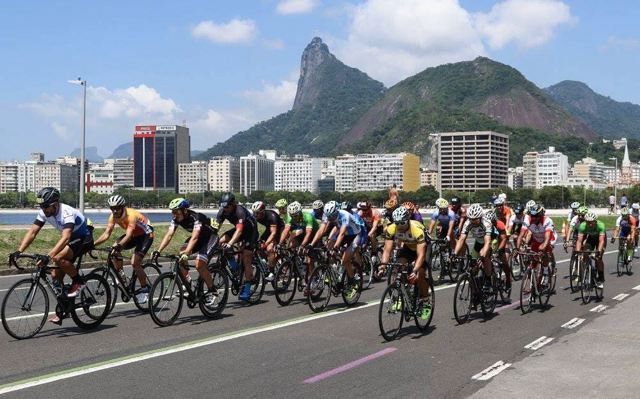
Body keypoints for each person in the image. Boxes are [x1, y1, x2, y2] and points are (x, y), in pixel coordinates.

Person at [12, 187, 94, 323]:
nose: (43, 210)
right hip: (71, 240)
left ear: (55, 204)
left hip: (84, 238)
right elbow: (33, 232)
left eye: (46, 207)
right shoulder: (44, 212)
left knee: (57, 257)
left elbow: (66, 237)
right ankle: (65, 307)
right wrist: (19, 250)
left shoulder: (66, 212)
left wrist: (48, 256)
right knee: (55, 276)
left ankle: (79, 282)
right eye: (41, 207)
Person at [154, 198, 218, 305]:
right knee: (180, 255)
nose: (174, 215)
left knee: (199, 264)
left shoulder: (196, 217)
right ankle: (187, 282)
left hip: (210, 238)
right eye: (173, 212)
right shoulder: (175, 219)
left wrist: (187, 253)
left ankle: (212, 290)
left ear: (184, 210)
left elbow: (195, 237)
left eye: (177, 212)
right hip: (198, 238)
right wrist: (158, 250)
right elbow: (169, 235)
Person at [94, 195, 154, 304]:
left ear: (123, 206)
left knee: (135, 263)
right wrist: (93, 244)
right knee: (114, 251)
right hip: (133, 235)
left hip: (146, 235)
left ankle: (145, 289)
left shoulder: (131, 215)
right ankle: (121, 276)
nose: (115, 210)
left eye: (117, 207)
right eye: (112, 208)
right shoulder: (112, 217)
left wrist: (119, 246)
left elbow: (128, 234)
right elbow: (106, 234)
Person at [380, 206, 432, 320]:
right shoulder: (392, 228)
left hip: (423, 248)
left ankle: (426, 300)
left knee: (420, 274)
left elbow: (421, 255)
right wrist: (383, 266)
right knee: (399, 267)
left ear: (408, 219)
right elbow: (387, 250)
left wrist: (415, 270)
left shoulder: (416, 229)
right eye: (397, 223)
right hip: (408, 247)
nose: (400, 226)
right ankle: (400, 296)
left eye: (402, 223)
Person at [216, 192, 259, 301]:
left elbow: (239, 230)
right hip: (239, 230)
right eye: (223, 206)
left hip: (250, 232)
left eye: (227, 206)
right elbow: (214, 229)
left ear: (233, 204)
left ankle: (248, 287)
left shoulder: (239, 211)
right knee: (220, 241)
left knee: (246, 256)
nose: (225, 209)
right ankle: (235, 267)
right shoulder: (222, 212)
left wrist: (230, 244)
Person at [251, 201, 284, 282]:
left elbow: (273, 233)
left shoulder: (271, 216)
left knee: (269, 248)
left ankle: (272, 272)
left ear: (262, 212)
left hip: (279, 231)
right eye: (254, 213)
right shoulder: (255, 216)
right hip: (268, 230)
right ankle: (267, 263)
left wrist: (265, 244)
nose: (255, 215)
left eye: (257, 213)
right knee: (258, 247)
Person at [575, 211, 606, 289]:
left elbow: (601, 241)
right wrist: (578, 251)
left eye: (591, 222)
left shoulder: (601, 225)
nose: (590, 224)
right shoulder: (582, 226)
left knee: (598, 258)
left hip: (600, 240)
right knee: (585, 254)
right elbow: (579, 240)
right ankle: (587, 272)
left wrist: (599, 250)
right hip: (591, 239)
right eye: (588, 222)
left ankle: (601, 278)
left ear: (595, 221)